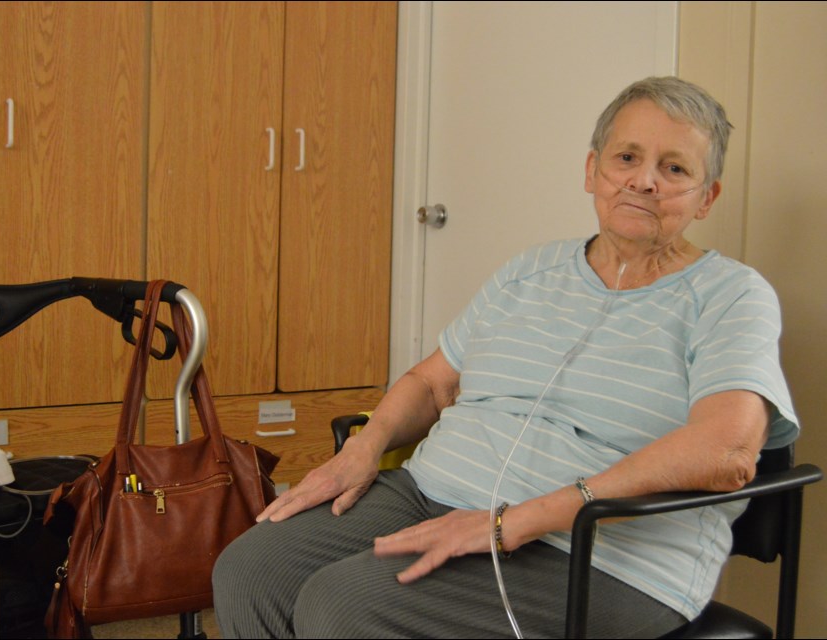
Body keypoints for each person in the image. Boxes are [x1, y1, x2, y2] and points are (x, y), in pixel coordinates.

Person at [212, 76, 799, 638]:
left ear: (706, 198)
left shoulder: (732, 296)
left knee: (345, 607)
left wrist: (517, 520)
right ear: (592, 169)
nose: (643, 181)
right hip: (431, 494)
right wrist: (366, 445)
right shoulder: (530, 271)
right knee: (251, 572)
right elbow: (433, 383)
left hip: (600, 549)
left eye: (674, 169)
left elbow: (728, 451)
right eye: (626, 158)